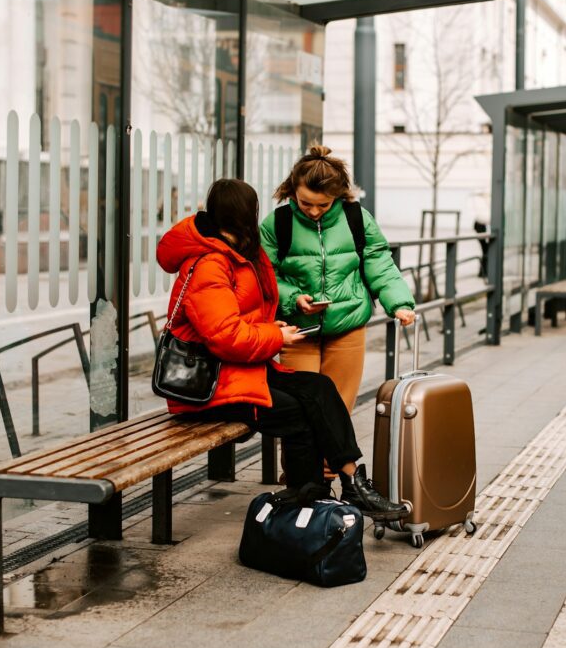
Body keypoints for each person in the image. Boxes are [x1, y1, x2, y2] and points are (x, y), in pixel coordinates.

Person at [155, 178, 408, 519]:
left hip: (240, 371)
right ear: (248, 213)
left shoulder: (240, 252)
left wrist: (272, 328)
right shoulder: (210, 264)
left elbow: (241, 322)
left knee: (319, 388)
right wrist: (277, 338)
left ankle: (351, 483)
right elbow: (225, 336)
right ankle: (307, 493)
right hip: (208, 388)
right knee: (297, 411)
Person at [259, 145, 416, 413]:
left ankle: (335, 458)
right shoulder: (278, 223)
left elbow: (379, 262)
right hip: (298, 332)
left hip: (348, 325)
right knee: (299, 412)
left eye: (323, 204)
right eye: (305, 202)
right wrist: (293, 298)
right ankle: (303, 459)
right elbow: (264, 274)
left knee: (338, 412)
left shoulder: (356, 217)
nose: (314, 211)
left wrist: (399, 303)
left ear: (338, 195)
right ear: (292, 190)